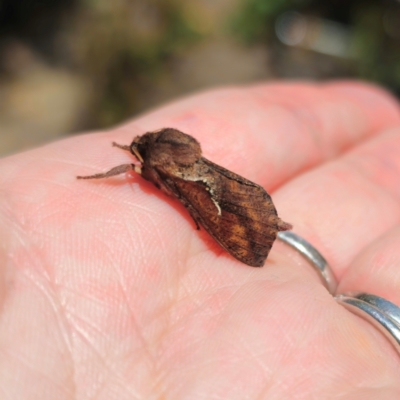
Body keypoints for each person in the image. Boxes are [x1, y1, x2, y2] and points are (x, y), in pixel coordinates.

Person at [1, 81, 400, 399]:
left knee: (221, 204)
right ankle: (267, 223)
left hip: (230, 214)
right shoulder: (155, 157)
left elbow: (152, 171)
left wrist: (192, 207)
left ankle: (264, 226)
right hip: (233, 189)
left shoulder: (155, 167)